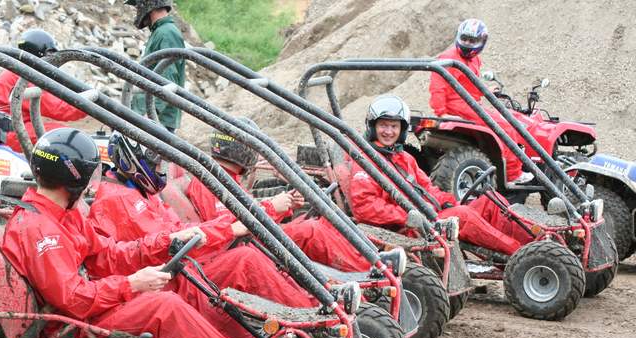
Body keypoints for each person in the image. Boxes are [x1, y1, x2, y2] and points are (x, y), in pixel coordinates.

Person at [2, 127, 248, 338]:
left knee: (169, 296)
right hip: (67, 332)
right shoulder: (41, 230)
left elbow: (110, 254)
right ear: (75, 178)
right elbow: (74, 299)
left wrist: (170, 240)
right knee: (164, 306)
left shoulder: (63, 214)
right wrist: (131, 284)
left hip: (81, 316)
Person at [88, 131, 317, 308]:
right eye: (158, 164)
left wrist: (269, 210)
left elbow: (181, 231)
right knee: (249, 256)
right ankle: (309, 310)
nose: (161, 170)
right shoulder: (119, 199)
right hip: (172, 278)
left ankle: (311, 300)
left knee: (250, 252)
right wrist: (266, 211)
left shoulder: (140, 192)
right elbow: (171, 243)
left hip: (183, 267)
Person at [182, 119, 374, 272]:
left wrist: (285, 206)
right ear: (244, 149)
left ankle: (366, 261)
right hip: (243, 246)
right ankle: (368, 271)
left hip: (253, 238)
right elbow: (226, 226)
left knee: (322, 223)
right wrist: (273, 207)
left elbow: (241, 214)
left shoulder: (222, 178)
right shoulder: (209, 183)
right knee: (311, 230)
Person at [352, 95, 532, 255]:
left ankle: (534, 240)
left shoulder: (404, 158)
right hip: (407, 227)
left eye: (394, 126)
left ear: (402, 130)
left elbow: (427, 188)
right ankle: (521, 254)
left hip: (427, 214)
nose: (388, 132)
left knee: (489, 201)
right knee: (463, 216)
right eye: (383, 125)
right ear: (373, 126)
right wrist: (410, 215)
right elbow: (365, 208)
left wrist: (447, 200)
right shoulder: (365, 161)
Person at [428, 18, 532, 185]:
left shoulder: (473, 60)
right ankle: (514, 175)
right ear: (458, 37)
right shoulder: (448, 58)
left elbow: (468, 83)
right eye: (465, 39)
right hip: (459, 106)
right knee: (507, 129)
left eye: (473, 40)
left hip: (469, 103)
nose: (468, 44)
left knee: (512, 120)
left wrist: (485, 90)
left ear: (482, 41)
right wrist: (442, 113)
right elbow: (438, 87)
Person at [0, 29, 86, 153]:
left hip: (11, 127)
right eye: (49, 55)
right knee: (64, 138)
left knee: (61, 133)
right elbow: (59, 109)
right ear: (38, 54)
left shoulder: (20, 71)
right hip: (7, 133)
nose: (52, 60)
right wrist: (92, 106)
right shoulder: (22, 78)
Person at [125, 0, 185, 132]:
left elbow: (168, 78)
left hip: (157, 119)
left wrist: (152, 113)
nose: (137, 11)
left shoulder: (166, 33)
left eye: (137, 6)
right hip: (151, 115)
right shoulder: (160, 32)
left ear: (148, 5)